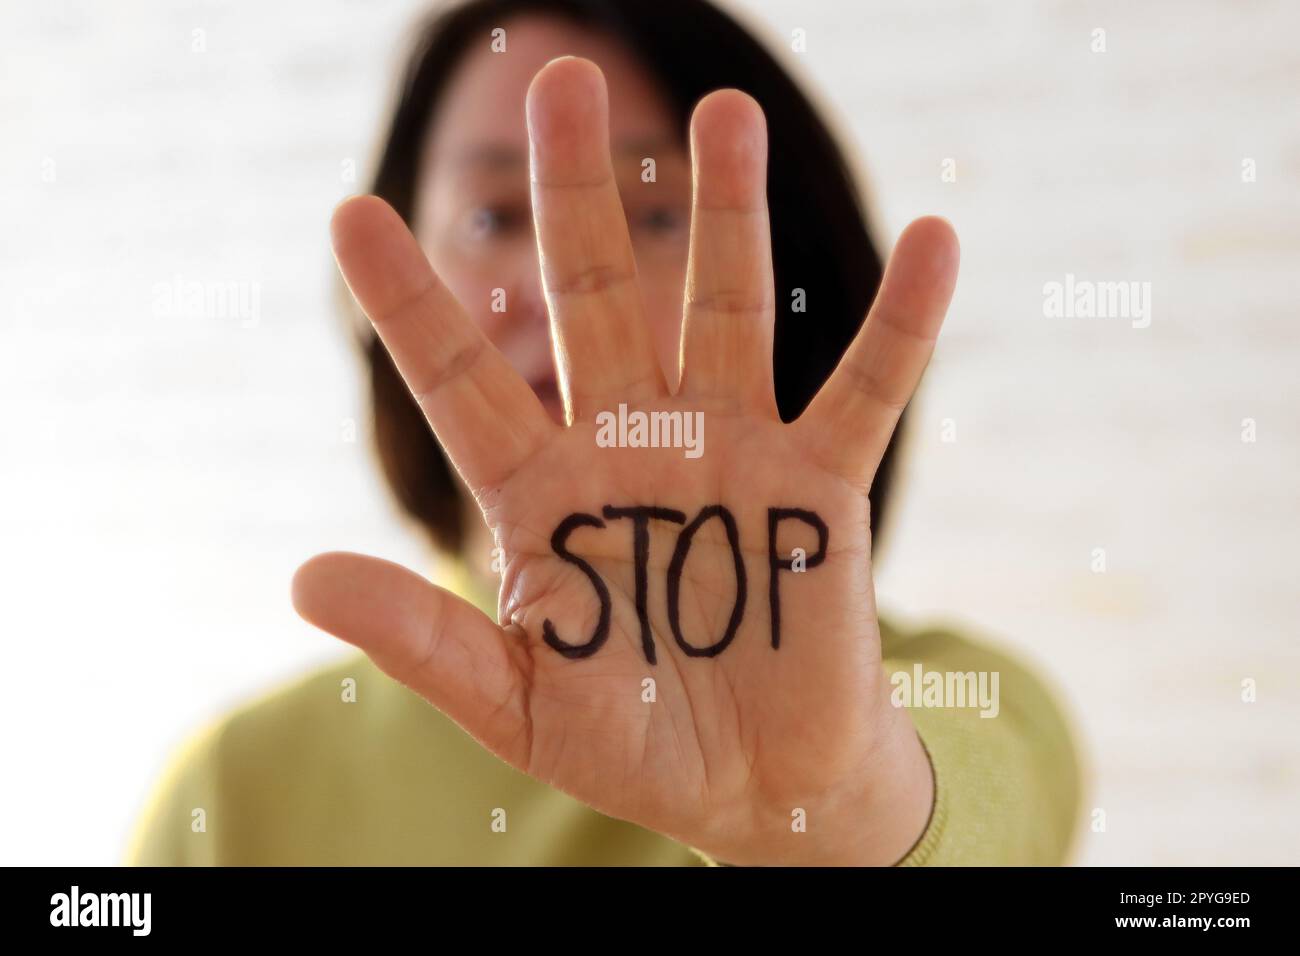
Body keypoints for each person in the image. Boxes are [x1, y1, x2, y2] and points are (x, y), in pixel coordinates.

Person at [128, 0, 1082, 866]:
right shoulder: (234, 792)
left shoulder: (973, 700)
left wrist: (830, 817)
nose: (550, 279)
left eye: (663, 213)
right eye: (496, 213)